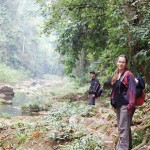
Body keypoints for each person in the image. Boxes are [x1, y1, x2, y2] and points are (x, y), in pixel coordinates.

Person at [110, 54, 136, 150]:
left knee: (123, 129)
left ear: (126, 63)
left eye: (123, 62)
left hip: (125, 106)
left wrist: (129, 106)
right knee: (124, 128)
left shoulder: (128, 74)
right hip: (118, 106)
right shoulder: (116, 74)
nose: (121, 64)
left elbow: (132, 91)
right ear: (117, 62)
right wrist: (112, 102)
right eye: (119, 61)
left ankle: (122, 148)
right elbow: (114, 90)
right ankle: (128, 147)